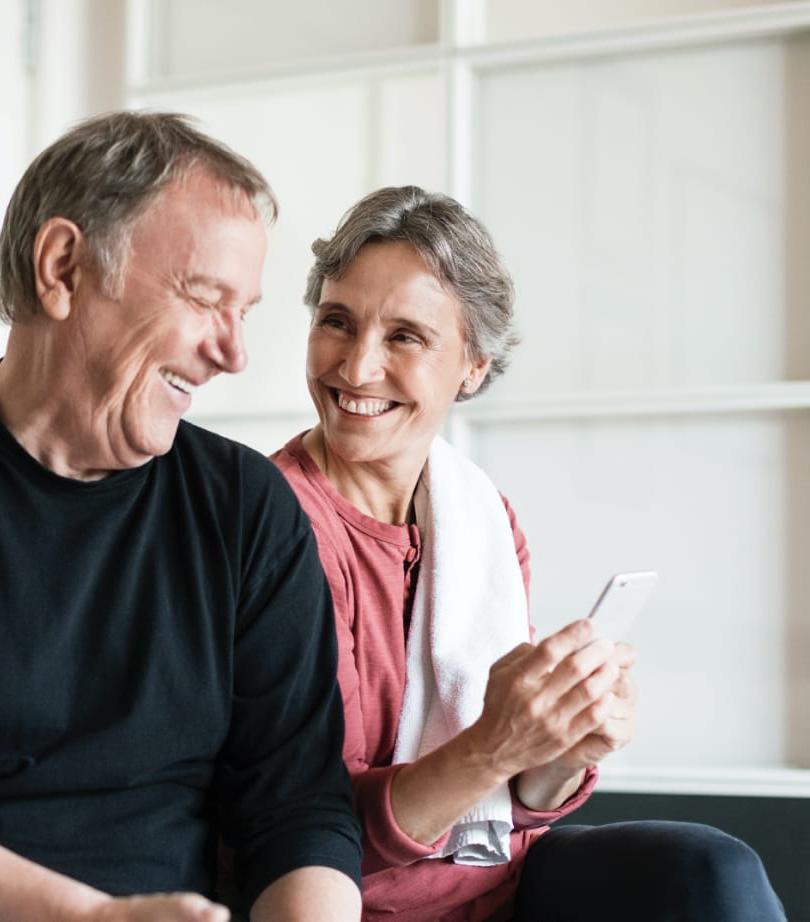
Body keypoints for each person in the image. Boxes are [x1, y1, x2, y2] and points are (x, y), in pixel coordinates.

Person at [0, 111, 363, 922]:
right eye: (203, 298)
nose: (233, 352)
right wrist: (88, 919)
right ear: (64, 267)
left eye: (244, 311)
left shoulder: (248, 510)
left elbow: (297, 810)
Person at [271, 185, 785, 922]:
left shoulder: (476, 514)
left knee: (714, 869)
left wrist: (564, 742)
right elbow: (302, 832)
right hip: (362, 902)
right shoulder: (271, 526)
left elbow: (515, 809)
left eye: (405, 337)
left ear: (473, 366)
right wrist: (494, 744)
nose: (356, 367)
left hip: (501, 890)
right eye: (337, 322)